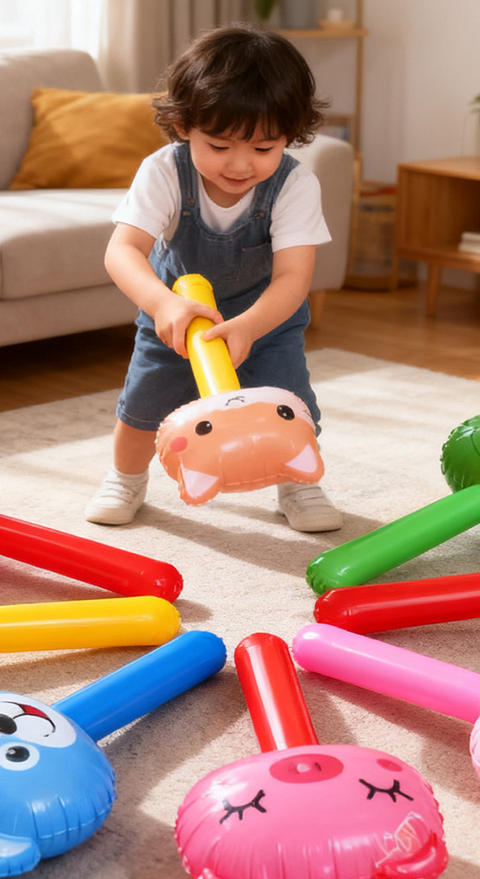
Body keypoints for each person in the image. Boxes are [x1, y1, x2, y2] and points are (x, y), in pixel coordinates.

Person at [84, 23, 342, 532]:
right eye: (220, 146)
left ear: (290, 136)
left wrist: (250, 326)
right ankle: (126, 479)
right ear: (184, 125)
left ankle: (298, 484)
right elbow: (123, 251)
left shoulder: (294, 184)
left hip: (265, 319)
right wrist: (163, 305)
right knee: (142, 406)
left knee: (288, 403)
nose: (241, 164)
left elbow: (293, 278)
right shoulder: (164, 171)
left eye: (264, 148)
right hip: (176, 318)